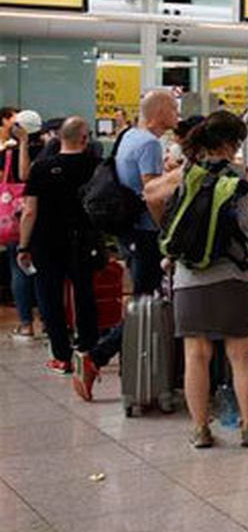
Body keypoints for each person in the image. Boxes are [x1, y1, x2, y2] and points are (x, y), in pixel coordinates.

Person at [145, 111, 248, 448]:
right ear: (231, 143)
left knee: (196, 355)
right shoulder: (243, 174)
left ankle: (201, 429)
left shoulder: (186, 172)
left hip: (190, 276)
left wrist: (168, 229)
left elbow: (149, 194)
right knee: (240, 355)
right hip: (235, 275)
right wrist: (246, 233)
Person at [80, 89, 180, 392]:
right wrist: (166, 229)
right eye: (173, 109)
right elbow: (152, 194)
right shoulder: (149, 143)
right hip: (145, 231)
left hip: (128, 229)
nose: (177, 114)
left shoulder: (130, 135)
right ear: (159, 112)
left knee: (143, 299)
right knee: (146, 303)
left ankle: (124, 362)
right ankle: (97, 356)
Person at [16, 118, 100, 379]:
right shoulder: (96, 166)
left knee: (49, 296)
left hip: (47, 240)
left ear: (59, 138)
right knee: (84, 293)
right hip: (83, 238)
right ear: (84, 138)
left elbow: (30, 211)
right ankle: (88, 349)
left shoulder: (41, 168)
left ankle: (62, 356)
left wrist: (23, 245)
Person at [2, 106, 37, 340]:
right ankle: (48, 319)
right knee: (43, 271)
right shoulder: (49, 150)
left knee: (19, 268)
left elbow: (24, 176)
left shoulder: (9, 154)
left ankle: (26, 323)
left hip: (17, 219)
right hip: (43, 218)